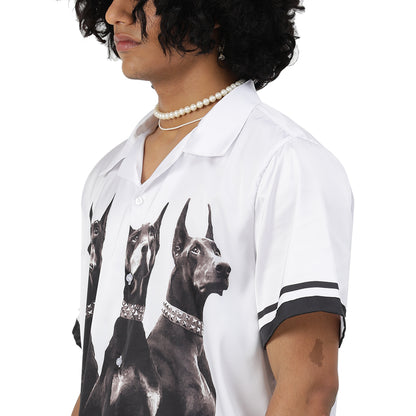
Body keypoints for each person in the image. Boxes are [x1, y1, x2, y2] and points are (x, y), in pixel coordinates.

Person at [70, 0, 354, 415]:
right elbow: (94, 384)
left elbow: (309, 387)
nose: (115, 13)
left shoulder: (285, 164)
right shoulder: (107, 178)